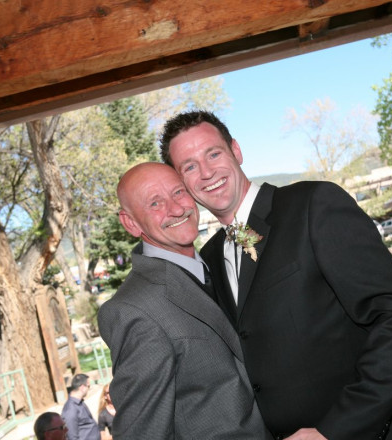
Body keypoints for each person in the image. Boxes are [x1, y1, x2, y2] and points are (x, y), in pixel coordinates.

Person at [160, 110, 392, 440]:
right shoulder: (210, 257)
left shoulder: (313, 205)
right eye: (189, 166)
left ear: (236, 150)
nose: (206, 172)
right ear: (182, 183)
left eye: (213, 153)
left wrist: (334, 430)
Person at [97, 163, 270, 439]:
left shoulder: (219, 260)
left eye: (178, 192)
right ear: (130, 223)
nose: (177, 209)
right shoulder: (133, 310)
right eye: (155, 203)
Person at [61, 374, 100, 440]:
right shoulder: (71, 409)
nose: (88, 389)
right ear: (82, 387)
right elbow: (72, 437)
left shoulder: (80, 403)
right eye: (88, 386)